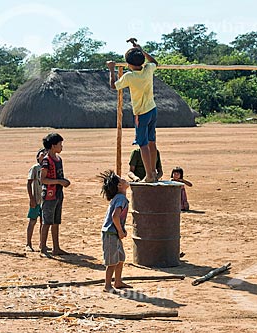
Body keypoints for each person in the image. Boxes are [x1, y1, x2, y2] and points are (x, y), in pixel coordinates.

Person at [107, 39, 159, 183]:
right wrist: (140, 49)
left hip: (141, 113)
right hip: (152, 109)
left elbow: (113, 86)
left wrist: (112, 69)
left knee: (143, 144)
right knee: (152, 142)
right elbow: (155, 62)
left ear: (129, 64)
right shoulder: (148, 69)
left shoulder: (129, 76)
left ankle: (149, 175)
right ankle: (153, 172)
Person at [98, 170, 132, 293]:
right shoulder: (121, 198)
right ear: (119, 185)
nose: (124, 179)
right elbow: (115, 217)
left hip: (114, 233)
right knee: (112, 261)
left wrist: (121, 230)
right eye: (121, 179)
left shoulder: (120, 198)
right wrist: (120, 231)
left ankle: (117, 281)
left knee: (120, 258)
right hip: (110, 233)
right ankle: (107, 285)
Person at [40, 133, 70, 255]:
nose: (61, 147)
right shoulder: (47, 161)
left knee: (56, 221)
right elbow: (43, 179)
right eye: (60, 144)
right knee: (47, 222)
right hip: (49, 194)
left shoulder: (59, 159)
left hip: (58, 193)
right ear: (53, 146)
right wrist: (59, 181)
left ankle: (56, 247)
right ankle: (43, 248)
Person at [26, 148, 46, 252]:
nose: (44, 156)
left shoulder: (47, 168)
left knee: (43, 223)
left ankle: (42, 243)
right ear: (38, 157)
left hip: (45, 199)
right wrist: (31, 198)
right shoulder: (35, 168)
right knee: (32, 221)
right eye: (42, 154)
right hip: (36, 199)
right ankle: (28, 243)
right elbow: (29, 183)